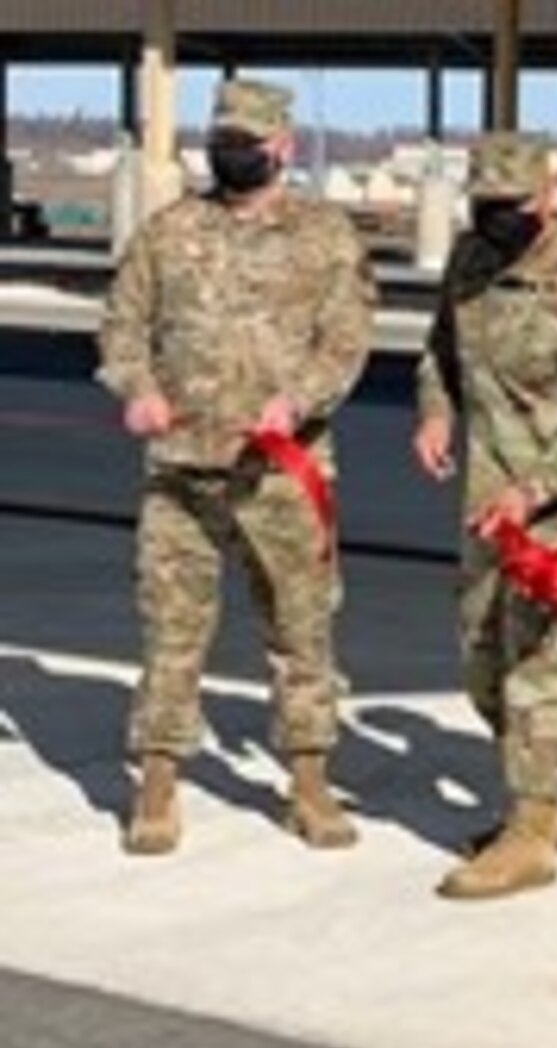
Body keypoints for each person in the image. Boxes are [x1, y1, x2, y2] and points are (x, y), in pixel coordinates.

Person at [97, 79, 376, 855]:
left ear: (282, 148)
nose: (231, 156)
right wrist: (139, 389)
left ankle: (310, 783)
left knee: (301, 628)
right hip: (181, 471)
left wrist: (300, 400)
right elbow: (122, 327)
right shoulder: (169, 231)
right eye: (221, 143)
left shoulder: (325, 237)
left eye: (246, 145)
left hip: (281, 471)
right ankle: (157, 784)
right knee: (171, 629)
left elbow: (345, 340)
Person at [413, 133, 557, 900]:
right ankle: (543, 805)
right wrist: (435, 413)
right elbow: (439, 352)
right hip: (483, 502)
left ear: (549, 199)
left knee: (537, 673)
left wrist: (537, 487)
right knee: (482, 666)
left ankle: (532, 831)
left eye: (511, 207)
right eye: (484, 206)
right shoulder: (471, 265)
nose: (497, 219)